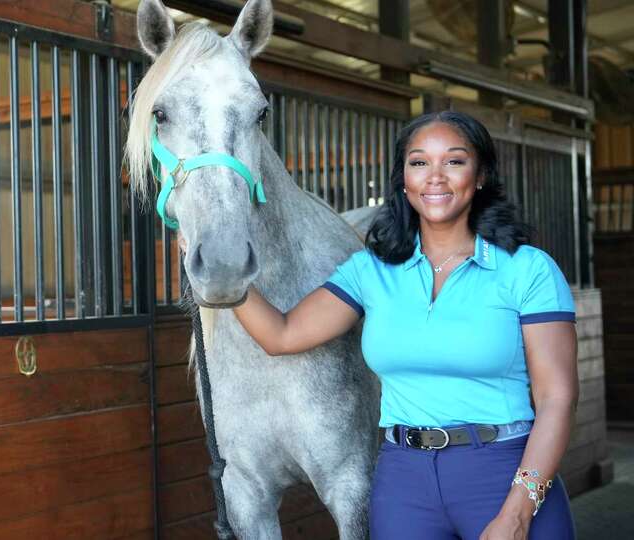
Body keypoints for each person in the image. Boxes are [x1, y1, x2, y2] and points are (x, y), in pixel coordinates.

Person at [232, 111, 578, 540]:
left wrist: (518, 511)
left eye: (454, 161)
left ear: (481, 173)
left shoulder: (528, 270)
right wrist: (224, 280)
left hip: (502, 469)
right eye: (419, 163)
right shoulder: (371, 271)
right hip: (404, 480)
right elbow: (282, 335)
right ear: (403, 179)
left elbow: (557, 398)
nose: (435, 177)